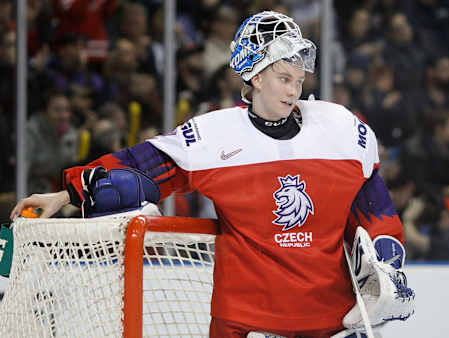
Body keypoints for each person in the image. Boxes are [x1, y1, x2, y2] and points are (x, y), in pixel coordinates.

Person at [11, 11, 414, 338]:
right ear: (255, 77)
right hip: (247, 324)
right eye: (282, 79)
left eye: (298, 79)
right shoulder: (212, 138)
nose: (293, 91)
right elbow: (136, 171)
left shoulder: (340, 129)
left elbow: (373, 209)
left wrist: (387, 256)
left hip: (331, 321)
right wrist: (68, 194)